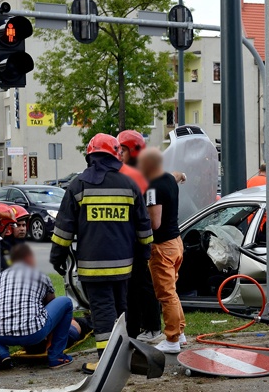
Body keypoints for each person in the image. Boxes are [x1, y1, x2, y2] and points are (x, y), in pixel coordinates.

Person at [50, 133, 153, 374]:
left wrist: (57, 258)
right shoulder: (129, 185)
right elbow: (144, 228)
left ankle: (105, 362)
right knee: (120, 309)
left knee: (102, 311)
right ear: (115, 156)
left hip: (92, 266)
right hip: (124, 266)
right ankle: (121, 354)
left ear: (90, 156)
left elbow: (64, 229)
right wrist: (144, 254)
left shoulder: (78, 185)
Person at [0, 244, 74, 370]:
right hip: (34, 334)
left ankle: (2, 355)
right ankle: (56, 357)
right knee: (66, 302)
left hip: (2, 334)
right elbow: (51, 303)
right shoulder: (40, 276)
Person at [116, 129, 163, 343]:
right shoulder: (126, 175)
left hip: (140, 241)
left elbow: (152, 219)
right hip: (130, 241)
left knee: (142, 285)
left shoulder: (144, 178)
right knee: (132, 288)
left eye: (122, 150)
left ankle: (152, 326)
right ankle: (134, 329)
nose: (119, 154)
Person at [139, 147, 187, 354]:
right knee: (173, 293)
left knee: (166, 295)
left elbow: (154, 223)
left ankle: (172, 339)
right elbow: (177, 175)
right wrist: (183, 175)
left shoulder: (152, 187)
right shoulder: (167, 178)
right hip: (176, 243)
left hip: (161, 248)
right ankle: (180, 332)